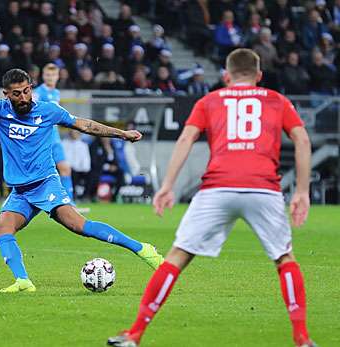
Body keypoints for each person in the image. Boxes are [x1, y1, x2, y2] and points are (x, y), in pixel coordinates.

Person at [107, 49, 316, 347]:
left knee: (177, 257)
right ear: (259, 76)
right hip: (263, 187)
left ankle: (135, 334)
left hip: (218, 187)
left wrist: (167, 185)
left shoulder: (209, 100)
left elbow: (186, 138)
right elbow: (302, 139)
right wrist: (302, 191)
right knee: (284, 258)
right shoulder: (276, 100)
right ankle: (302, 338)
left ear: (226, 76)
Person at [0, 68, 164, 293]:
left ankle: (143, 249)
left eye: (26, 91)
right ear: (6, 93)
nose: (23, 98)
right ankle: (23, 281)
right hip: (21, 191)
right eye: (16, 94)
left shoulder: (48, 111)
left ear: (31, 88)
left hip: (45, 183)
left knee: (80, 226)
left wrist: (121, 134)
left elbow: (85, 125)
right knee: (3, 229)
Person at [33, 63, 89, 213]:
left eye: (53, 75)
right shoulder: (37, 93)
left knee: (65, 169)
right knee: (39, 172)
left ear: (58, 76)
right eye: (47, 75)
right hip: (42, 139)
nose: (50, 77)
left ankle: (70, 204)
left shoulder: (56, 93)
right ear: (43, 76)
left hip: (55, 138)